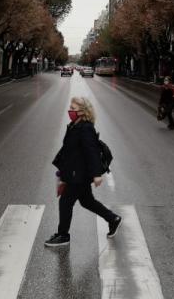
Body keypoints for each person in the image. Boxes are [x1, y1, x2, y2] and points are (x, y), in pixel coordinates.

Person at [46, 96, 122, 247]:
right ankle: (112, 218)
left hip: (79, 174)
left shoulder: (86, 128)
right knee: (87, 201)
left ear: (82, 111)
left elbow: (91, 152)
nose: (70, 111)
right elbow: (69, 150)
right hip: (74, 171)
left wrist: (96, 174)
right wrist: (61, 169)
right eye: (70, 108)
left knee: (66, 202)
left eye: (73, 109)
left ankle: (63, 235)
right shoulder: (74, 125)